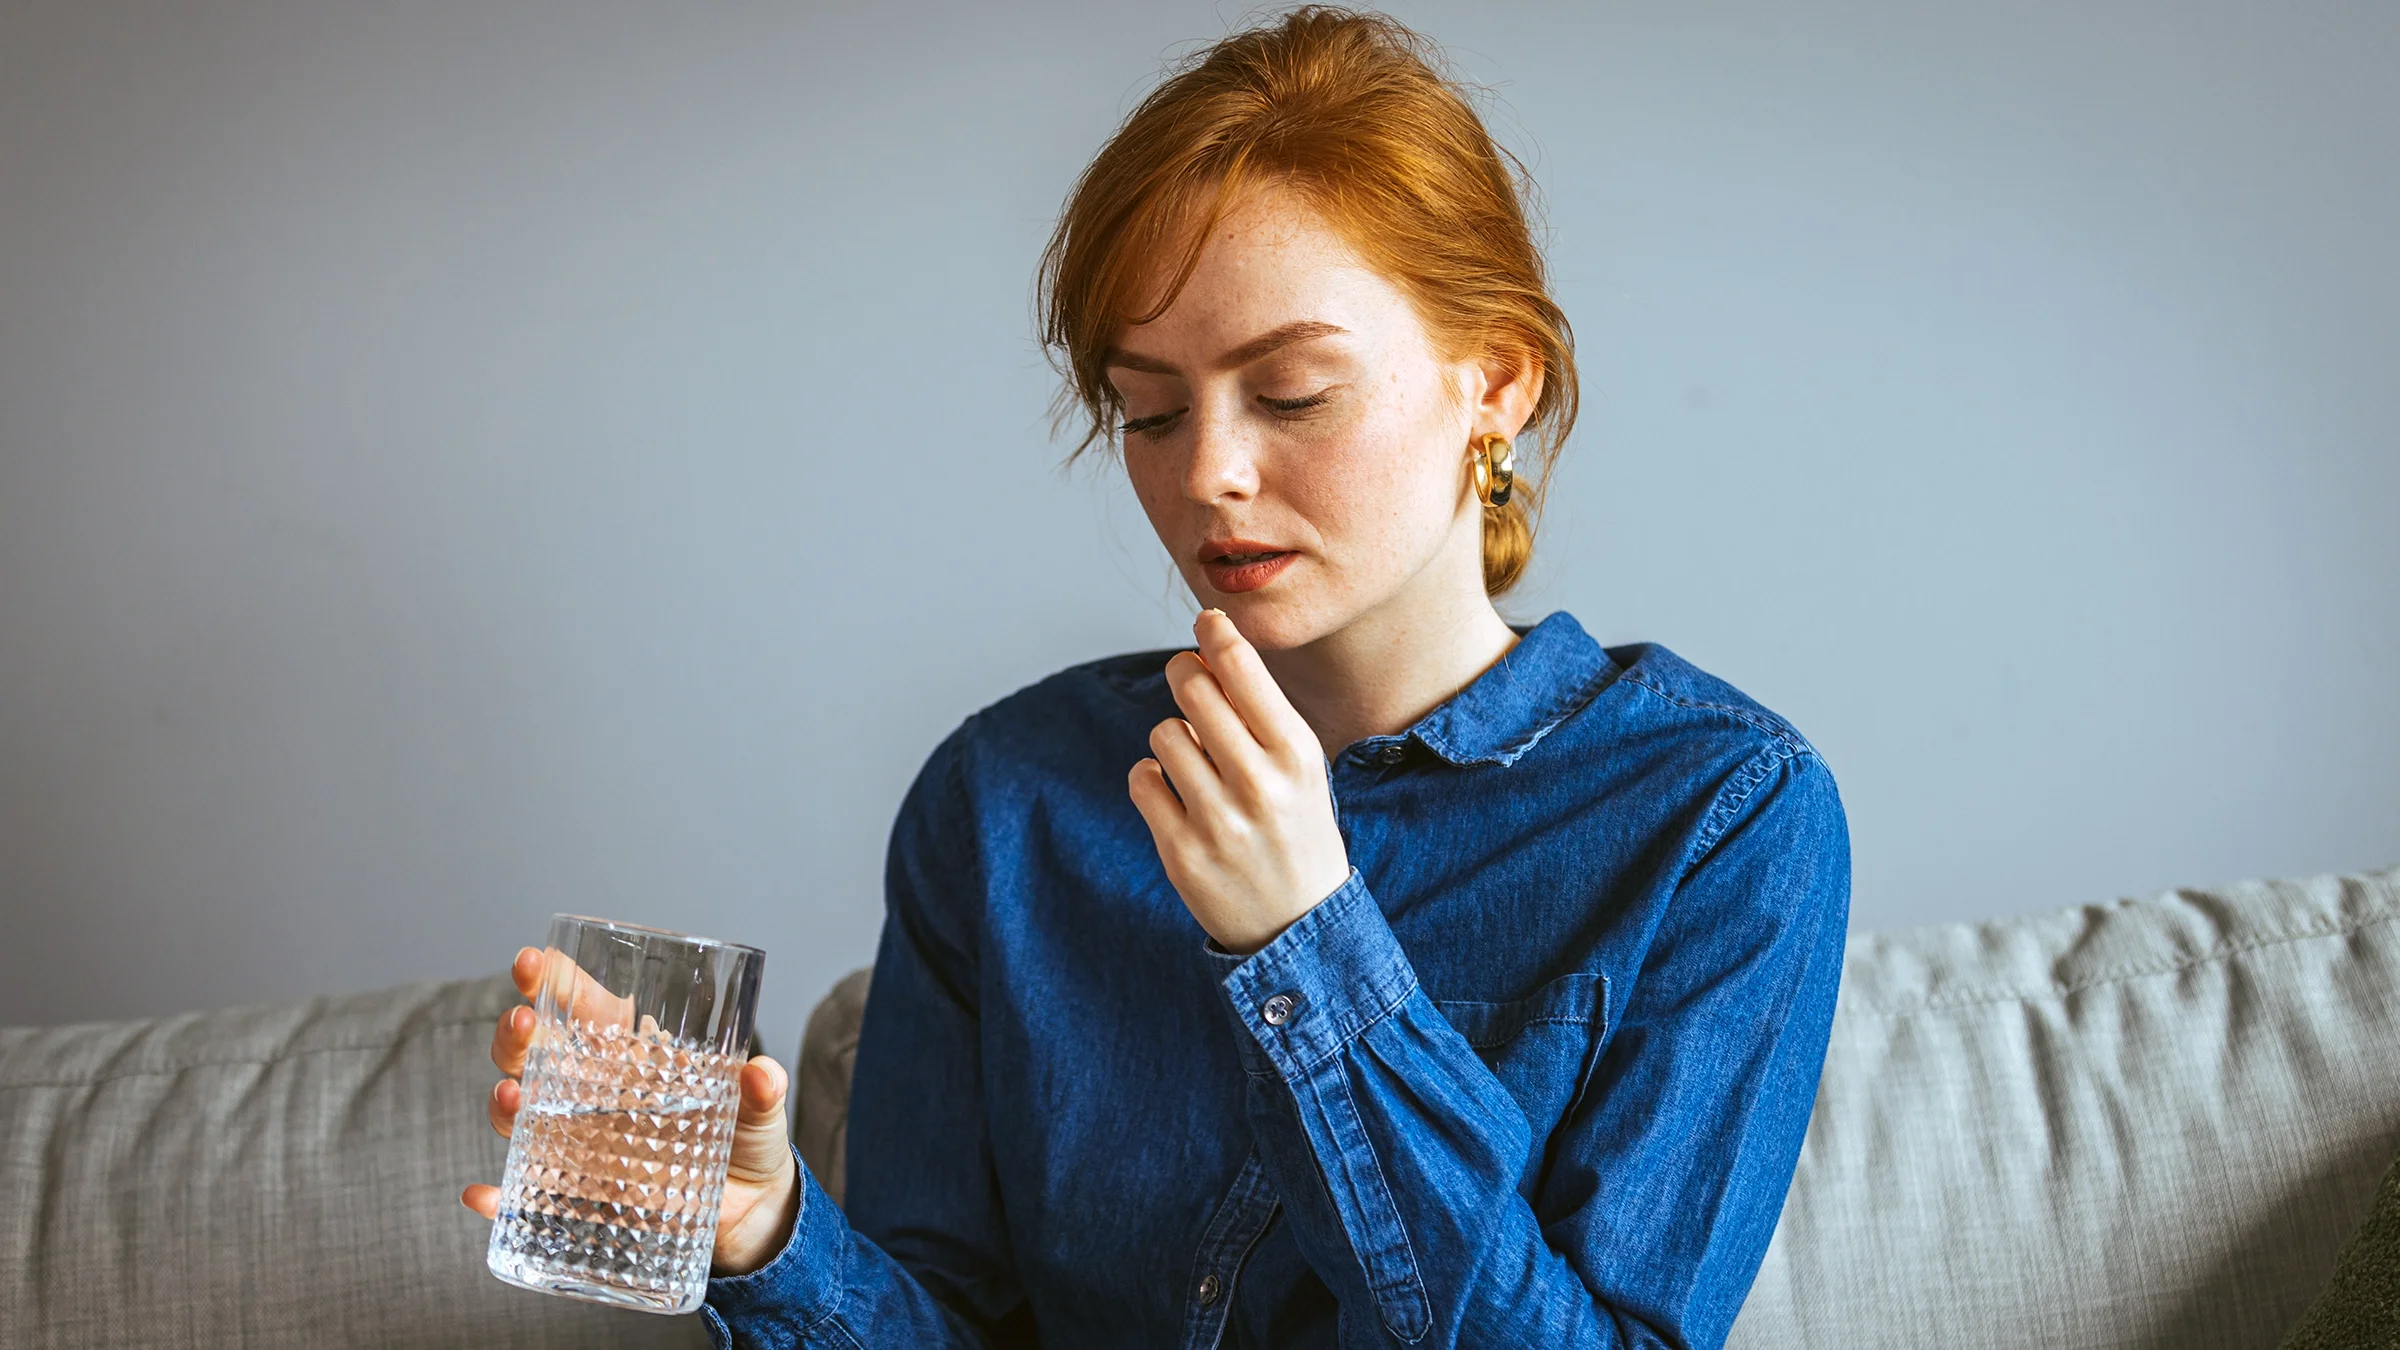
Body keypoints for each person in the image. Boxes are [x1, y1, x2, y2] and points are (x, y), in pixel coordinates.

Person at [463, 7, 1850, 1346]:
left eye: (1292, 392)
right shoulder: (1003, 799)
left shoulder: (1723, 815)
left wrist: (1308, 945)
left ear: (1495, 382)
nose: (1209, 476)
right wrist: (766, 1239)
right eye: (1151, 410)